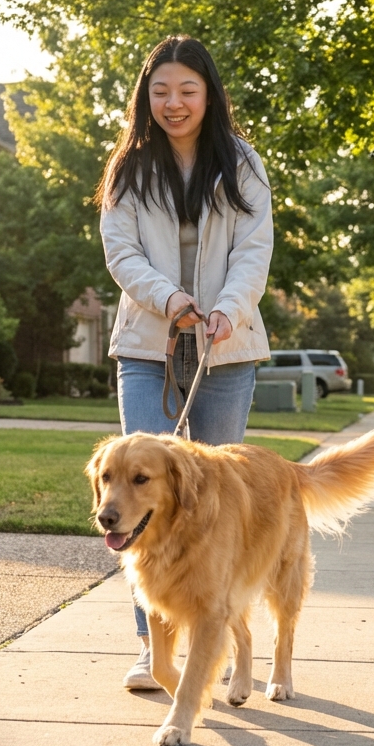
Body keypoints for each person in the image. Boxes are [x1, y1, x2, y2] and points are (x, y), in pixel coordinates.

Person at [97, 35, 274, 690]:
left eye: (187, 90)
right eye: (161, 91)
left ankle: (218, 631)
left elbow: (254, 249)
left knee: (215, 506)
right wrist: (169, 299)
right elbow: (121, 253)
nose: (173, 103)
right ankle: (155, 649)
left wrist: (228, 308)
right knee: (136, 495)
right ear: (147, 97)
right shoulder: (129, 168)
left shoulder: (242, 163)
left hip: (227, 350)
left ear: (209, 95)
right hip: (148, 347)